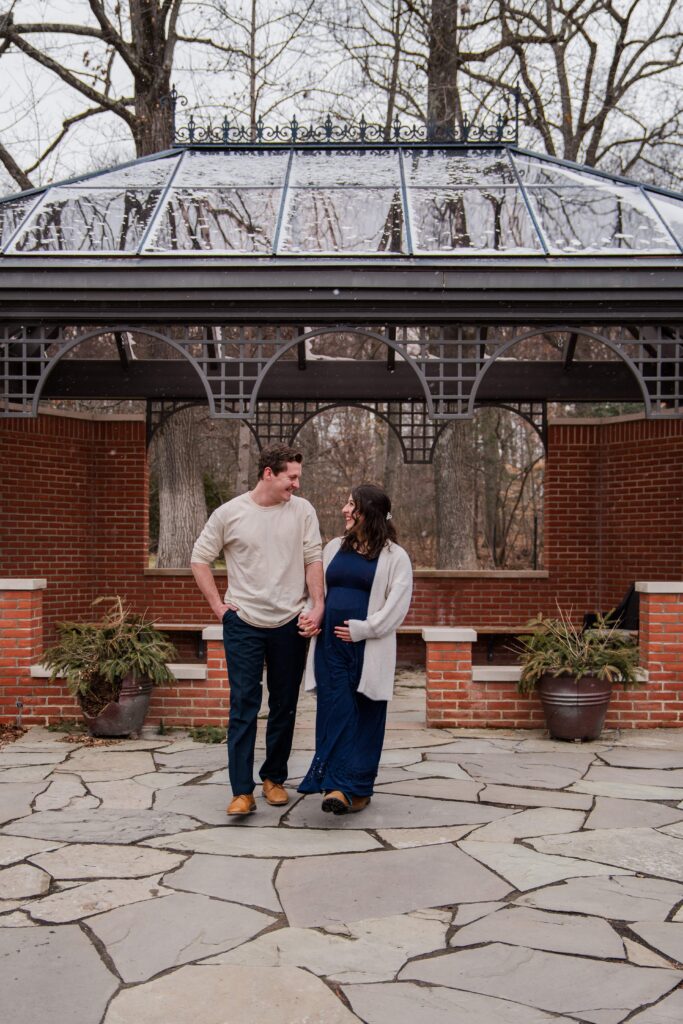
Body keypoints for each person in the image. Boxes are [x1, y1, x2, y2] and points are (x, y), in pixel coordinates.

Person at [191, 442, 324, 817]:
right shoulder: (230, 513)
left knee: (284, 705)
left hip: (290, 622)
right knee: (244, 706)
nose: (296, 485)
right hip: (243, 623)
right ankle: (241, 791)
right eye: (291, 477)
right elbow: (200, 559)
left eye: (298, 477)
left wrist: (318, 605)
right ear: (269, 473)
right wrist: (219, 607)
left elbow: (313, 557)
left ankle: (274, 778)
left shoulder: (302, 511)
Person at [298, 483, 413, 814]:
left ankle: (358, 788)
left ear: (370, 513)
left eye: (352, 505)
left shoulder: (395, 557)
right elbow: (316, 590)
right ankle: (335, 785)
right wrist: (311, 614)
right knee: (336, 711)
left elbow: (397, 606)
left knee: (366, 714)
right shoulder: (334, 547)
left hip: (368, 650)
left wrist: (364, 629)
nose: (345, 510)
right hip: (331, 647)